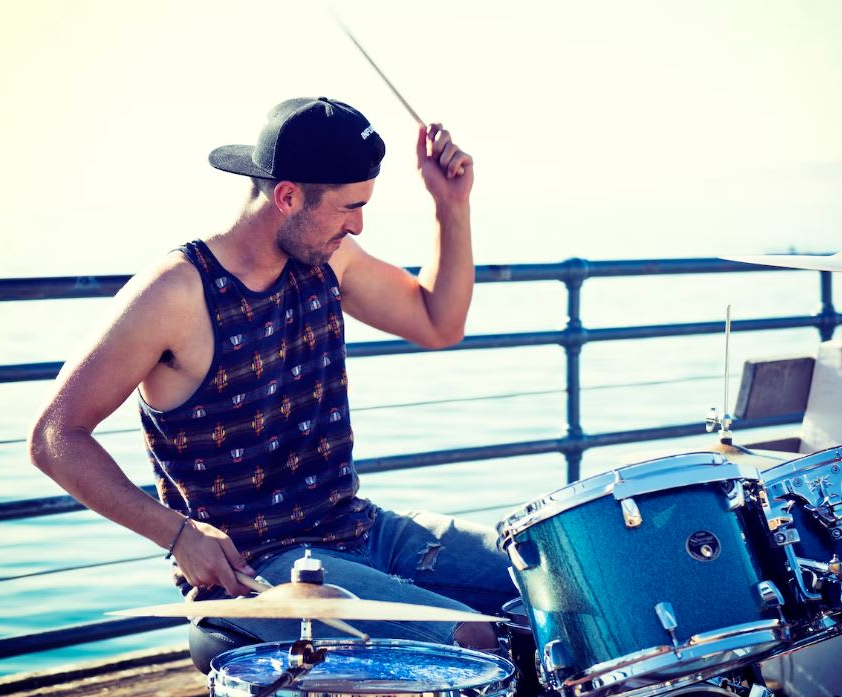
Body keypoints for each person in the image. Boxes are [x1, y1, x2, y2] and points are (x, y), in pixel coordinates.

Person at [28, 97, 516, 670]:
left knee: (558, 575)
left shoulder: (329, 260)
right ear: (287, 197)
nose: (358, 224)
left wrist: (451, 207)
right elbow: (55, 435)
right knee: (471, 645)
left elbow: (439, 322)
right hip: (258, 567)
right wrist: (179, 535)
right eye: (348, 207)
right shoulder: (176, 294)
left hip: (360, 528)